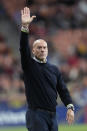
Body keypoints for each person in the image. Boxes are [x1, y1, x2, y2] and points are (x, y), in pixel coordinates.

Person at [20, 7, 74, 131]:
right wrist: (24, 27)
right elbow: (23, 49)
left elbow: (63, 90)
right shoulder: (29, 65)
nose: (43, 50)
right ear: (33, 50)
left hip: (52, 115)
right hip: (36, 115)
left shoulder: (54, 69)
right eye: (39, 48)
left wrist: (70, 107)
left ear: (48, 50)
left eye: (44, 47)